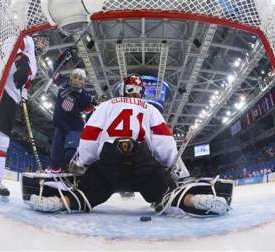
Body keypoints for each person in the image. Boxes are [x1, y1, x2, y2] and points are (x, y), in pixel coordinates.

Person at [23, 74, 233, 217]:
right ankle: (192, 199)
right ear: (141, 92)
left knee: (86, 193)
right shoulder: (150, 108)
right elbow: (164, 142)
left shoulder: (106, 105)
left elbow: (89, 135)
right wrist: (177, 172)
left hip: (109, 162)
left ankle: (61, 202)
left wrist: (82, 163)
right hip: (141, 162)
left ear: (122, 89)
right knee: (167, 194)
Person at [0, 35, 39, 199]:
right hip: (0, 90)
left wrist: (23, 97)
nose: (44, 43)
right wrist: (21, 61)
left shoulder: (34, 59)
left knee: (1, 139)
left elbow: (23, 82)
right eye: (43, 39)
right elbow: (9, 43)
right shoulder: (29, 41)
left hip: (11, 97)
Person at [47, 68, 96, 173]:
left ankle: (70, 168)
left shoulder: (86, 96)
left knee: (71, 152)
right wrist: (62, 59)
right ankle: (55, 169)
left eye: (80, 79)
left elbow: (88, 111)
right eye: (75, 77)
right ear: (70, 78)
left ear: (83, 82)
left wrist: (92, 106)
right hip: (60, 124)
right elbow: (51, 72)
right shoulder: (63, 83)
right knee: (56, 149)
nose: (77, 80)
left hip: (74, 127)